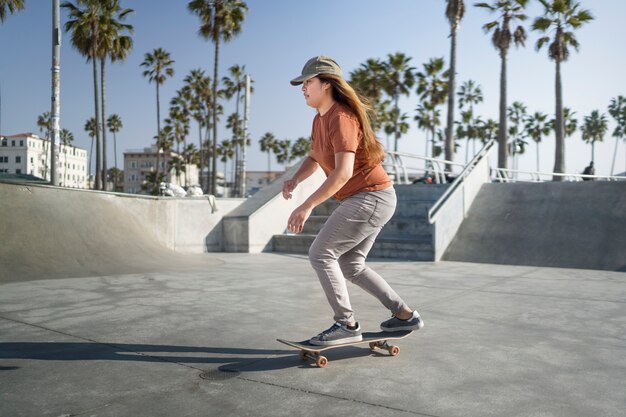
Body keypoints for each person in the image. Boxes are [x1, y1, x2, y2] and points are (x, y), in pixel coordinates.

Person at [283, 56, 424, 346]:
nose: (303, 88)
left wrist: (306, 204)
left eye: (308, 82)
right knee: (351, 265)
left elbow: (343, 172)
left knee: (320, 253)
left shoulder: (341, 117)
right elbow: (314, 156)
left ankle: (346, 324)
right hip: (371, 197)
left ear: (327, 83)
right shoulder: (320, 119)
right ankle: (404, 315)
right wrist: (296, 179)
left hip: (370, 196)